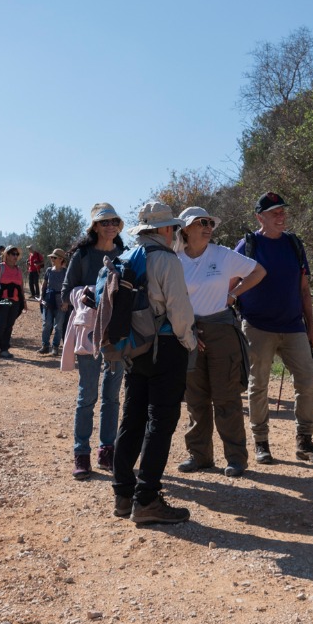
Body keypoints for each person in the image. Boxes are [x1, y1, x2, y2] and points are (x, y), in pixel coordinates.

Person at [111, 202, 198, 524]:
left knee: (131, 419)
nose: (175, 233)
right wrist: (189, 342)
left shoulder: (127, 258)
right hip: (165, 346)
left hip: (134, 347)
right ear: (164, 230)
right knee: (160, 422)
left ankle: (123, 495)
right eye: (173, 228)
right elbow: (179, 309)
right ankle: (146, 499)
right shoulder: (166, 260)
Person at [235, 192, 313, 465]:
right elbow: (231, 283)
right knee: (258, 385)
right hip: (256, 325)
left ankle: (304, 442)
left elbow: (303, 288)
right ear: (259, 217)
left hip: (293, 326)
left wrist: (311, 327)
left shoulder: (294, 244)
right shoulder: (247, 245)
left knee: (306, 380)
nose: (281, 216)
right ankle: (261, 442)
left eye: (282, 211)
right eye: (274, 212)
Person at [174, 206, 267, 478]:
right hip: (189, 333)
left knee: (226, 396)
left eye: (210, 223)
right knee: (195, 398)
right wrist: (186, 329)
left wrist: (234, 294)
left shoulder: (222, 254)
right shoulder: (175, 259)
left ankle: (236, 458)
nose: (208, 227)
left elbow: (259, 271)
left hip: (221, 330)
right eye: (201, 222)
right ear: (185, 229)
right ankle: (199, 456)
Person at [61, 203, 126, 480]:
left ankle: (107, 450)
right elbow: (64, 294)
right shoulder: (82, 256)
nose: (110, 226)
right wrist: (83, 295)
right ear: (95, 227)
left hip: (117, 333)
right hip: (88, 332)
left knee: (112, 396)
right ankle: (81, 454)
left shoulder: (125, 254)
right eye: (104, 222)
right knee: (87, 395)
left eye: (114, 221)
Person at [0, 246, 25, 359]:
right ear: (7, 255)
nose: (15, 256)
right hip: (3, 301)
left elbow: (21, 287)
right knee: (1, 325)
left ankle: (4, 349)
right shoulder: (0, 268)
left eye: (17, 254)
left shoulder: (18, 270)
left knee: (9, 325)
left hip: (16, 302)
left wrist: (24, 302)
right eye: (13, 254)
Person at [38, 248, 69, 355]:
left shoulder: (66, 272)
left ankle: (55, 347)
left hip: (61, 302)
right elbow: (44, 285)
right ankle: (45, 345)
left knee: (58, 326)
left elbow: (69, 288)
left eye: (54, 257)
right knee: (47, 324)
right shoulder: (49, 271)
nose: (52, 259)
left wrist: (66, 302)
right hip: (48, 301)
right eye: (51, 257)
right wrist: (42, 297)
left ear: (61, 259)